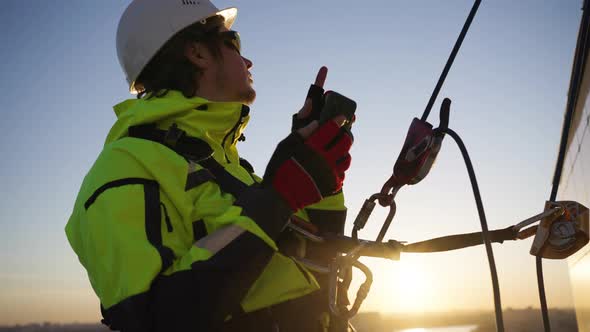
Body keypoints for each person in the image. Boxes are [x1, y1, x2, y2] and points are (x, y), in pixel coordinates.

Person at [65, 0, 354, 331]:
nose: (248, 60)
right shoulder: (122, 170)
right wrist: (276, 198)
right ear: (198, 53)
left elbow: (316, 258)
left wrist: (320, 175)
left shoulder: (229, 167)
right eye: (234, 42)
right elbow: (151, 318)